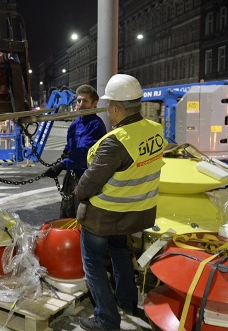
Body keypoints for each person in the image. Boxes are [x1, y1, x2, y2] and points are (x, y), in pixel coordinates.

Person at [74, 74, 166, 331]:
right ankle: (126, 303)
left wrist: (78, 193)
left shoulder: (116, 142)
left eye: (109, 106)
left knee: (92, 262)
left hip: (104, 215)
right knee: (120, 252)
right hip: (134, 214)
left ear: (115, 108)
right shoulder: (155, 130)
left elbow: (88, 186)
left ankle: (107, 319)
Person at [43, 85, 107, 218]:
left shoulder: (95, 124)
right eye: (78, 101)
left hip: (87, 176)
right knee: (68, 213)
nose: (81, 104)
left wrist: (62, 165)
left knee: (83, 216)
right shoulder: (76, 123)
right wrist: (63, 157)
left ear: (94, 104)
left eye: (85, 101)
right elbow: (70, 147)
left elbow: (85, 151)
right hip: (72, 174)